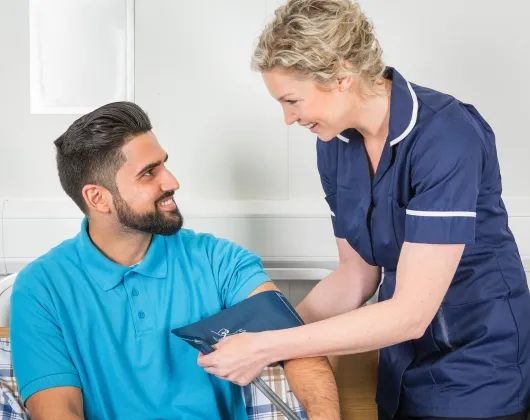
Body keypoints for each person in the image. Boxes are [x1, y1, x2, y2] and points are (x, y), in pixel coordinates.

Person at [197, 1, 530, 419]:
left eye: (293, 100)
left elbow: (411, 314)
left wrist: (268, 346)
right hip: (401, 363)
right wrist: (256, 336)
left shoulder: (446, 136)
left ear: (342, 76)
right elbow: (355, 277)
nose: (288, 118)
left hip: (478, 364)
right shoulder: (334, 145)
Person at [9, 101, 340, 420]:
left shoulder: (218, 261)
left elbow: (299, 348)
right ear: (98, 198)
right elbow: (56, 410)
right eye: (149, 173)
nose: (171, 182)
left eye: (164, 164)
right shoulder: (41, 289)